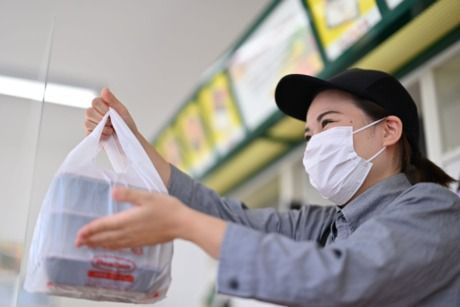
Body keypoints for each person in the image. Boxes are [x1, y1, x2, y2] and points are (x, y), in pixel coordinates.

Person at [77, 68, 460, 306]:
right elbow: (226, 217)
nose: (315, 144)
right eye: (309, 134)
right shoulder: (326, 226)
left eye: (327, 124)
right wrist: (134, 142)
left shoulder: (433, 209)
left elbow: (341, 279)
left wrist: (185, 224)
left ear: (388, 130)